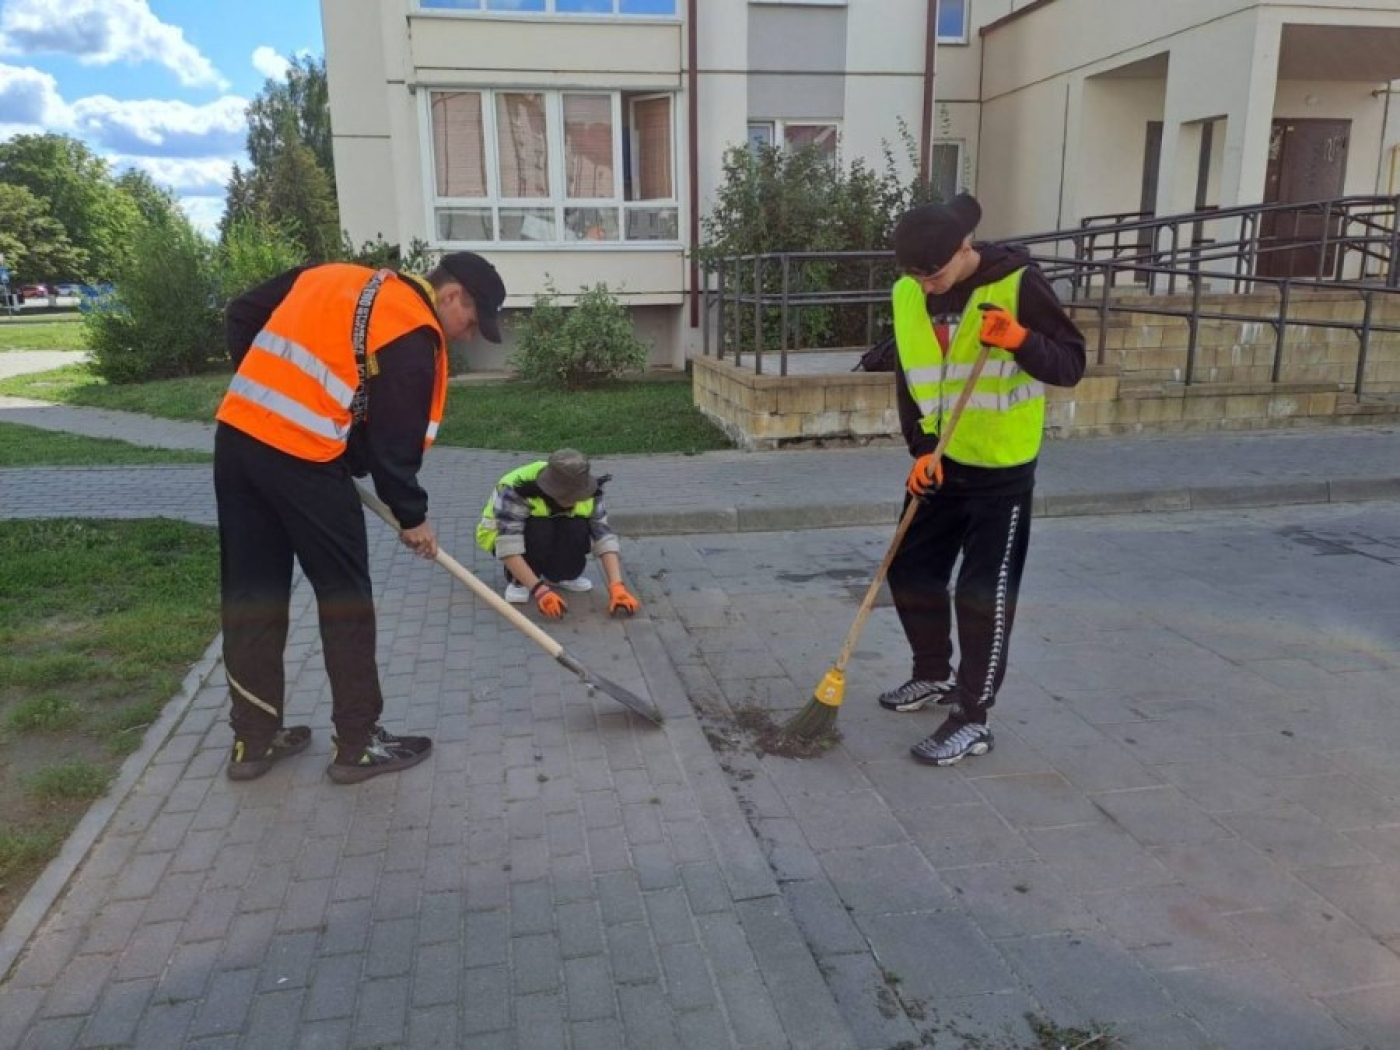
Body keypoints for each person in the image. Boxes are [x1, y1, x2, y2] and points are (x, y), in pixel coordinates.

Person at [215, 251, 505, 784]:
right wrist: (412, 517)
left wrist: (270, 398)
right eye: (471, 320)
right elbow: (395, 446)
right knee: (344, 598)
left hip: (238, 441)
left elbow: (241, 312)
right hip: (304, 461)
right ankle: (358, 743)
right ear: (451, 295)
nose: (467, 335)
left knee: (251, 593)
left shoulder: (334, 277)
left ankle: (252, 741)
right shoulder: (412, 331)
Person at [883, 193, 1085, 765]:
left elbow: (1071, 364)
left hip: (1001, 471)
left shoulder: (1018, 284)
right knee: (911, 570)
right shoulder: (907, 293)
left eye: (935, 273)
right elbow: (909, 377)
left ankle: (973, 716)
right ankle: (931, 674)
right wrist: (921, 449)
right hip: (939, 465)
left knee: (982, 595)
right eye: (915, 276)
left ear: (965, 249)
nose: (926, 286)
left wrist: (1020, 340)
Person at [476, 448, 641, 619]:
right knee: (540, 529)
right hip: (505, 537)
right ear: (550, 489)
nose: (574, 500)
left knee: (577, 526)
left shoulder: (588, 489)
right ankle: (520, 582)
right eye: (567, 496)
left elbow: (604, 536)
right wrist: (540, 592)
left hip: (551, 528)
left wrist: (617, 586)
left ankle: (560, 576)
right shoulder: (516, 488)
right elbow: (508, 544)